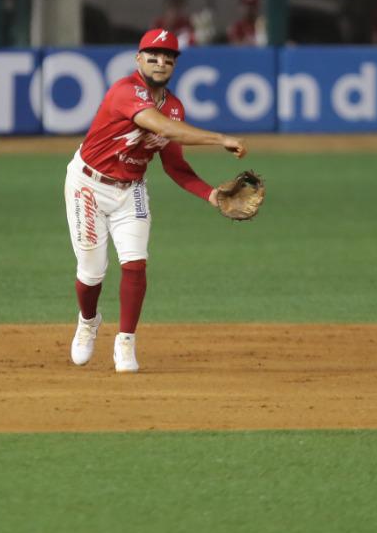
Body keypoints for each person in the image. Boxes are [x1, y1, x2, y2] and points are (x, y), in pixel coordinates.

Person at [64, 28, 248, 373]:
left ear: (175, 65)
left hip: (130, 188)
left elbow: (176, 166)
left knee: (135, 263)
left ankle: (126, 342)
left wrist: (211, 195)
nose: (160, 61)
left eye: (168, 57)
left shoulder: (174, 108)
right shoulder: (125, 91)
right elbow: (163, 129)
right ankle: (88, 321)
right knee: (92, 272)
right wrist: (219, 138)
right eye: (152, 55)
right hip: (87, 185)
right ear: (138, 59)